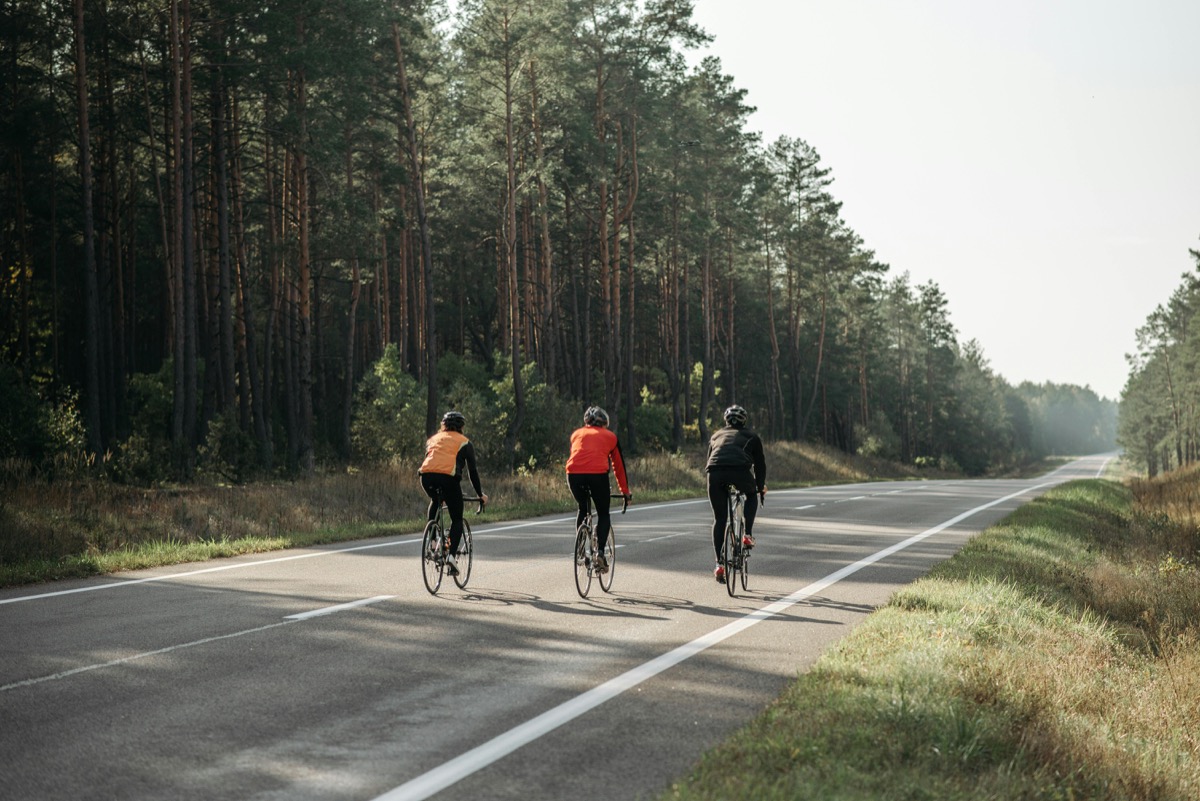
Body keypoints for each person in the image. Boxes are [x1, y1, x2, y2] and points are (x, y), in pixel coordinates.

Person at [419, 411, 488, 576]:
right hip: (448, 479)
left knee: (435, 501)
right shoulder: (464, 442)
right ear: (462, 427)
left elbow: (433, 460)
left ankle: (433, 542)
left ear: (443, 425)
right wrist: (480, 494)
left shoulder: (433, 439)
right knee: (457, 518)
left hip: (425, 477)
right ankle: (450, 556)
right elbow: (473, 472)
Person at [565, 406, 631, 574]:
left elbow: (578, 456)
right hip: (597, 476)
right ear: (604, 423)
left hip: (573, 475)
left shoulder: (576, 434)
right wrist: (625, 491)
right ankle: (600, 552)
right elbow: (618, 466)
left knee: (582, 507)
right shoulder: (610, 437)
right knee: (603, 513)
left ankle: (580, 549)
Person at [705, 404, 766, 583]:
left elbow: (709, 460)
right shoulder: (752, 436)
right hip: (740, 471)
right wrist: (760, 486)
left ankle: (719, 564)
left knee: (720, 519)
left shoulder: (715, 435)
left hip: (715, 473)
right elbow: (760, 465)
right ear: (744, 421)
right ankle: (747, 534)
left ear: (726, 420)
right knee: (751, 494)